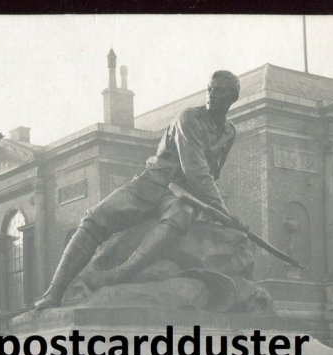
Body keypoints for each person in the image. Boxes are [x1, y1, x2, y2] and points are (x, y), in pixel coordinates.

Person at [34, 70, 241, 309]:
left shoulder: (229, 132)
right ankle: (54, 291)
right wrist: (222, 211)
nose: (212, 95)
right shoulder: (189, 119)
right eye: (210, 89)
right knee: (95, 218)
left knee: (180, 216)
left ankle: (121, 273)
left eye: (220, 91)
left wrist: (217, 214)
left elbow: (211, 173)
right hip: (155, 179)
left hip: (183, 192)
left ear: (232, 98)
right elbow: (196, 169)